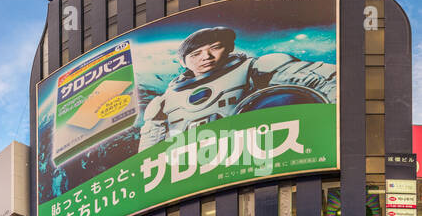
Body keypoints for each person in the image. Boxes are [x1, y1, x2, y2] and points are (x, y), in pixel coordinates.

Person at [138, 25, 338, 151]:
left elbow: (329, 82)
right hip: (190, 169)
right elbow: (148, 155)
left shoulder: (257, 67)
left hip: (254, 153)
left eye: (215, 48)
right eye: (196, 54)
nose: (206, 57)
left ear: (230, 48)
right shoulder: (163, 102)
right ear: (184, 62)